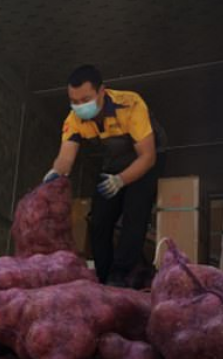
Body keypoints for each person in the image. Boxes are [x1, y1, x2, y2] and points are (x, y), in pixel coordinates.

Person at [44, 65, 165, 287]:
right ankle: (103, 275)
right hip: (114, 162)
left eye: (85, 99)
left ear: (102, 91)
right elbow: (66, 157)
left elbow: (148, 157)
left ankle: (121, 274)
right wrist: (56, 174)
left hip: (145, 160)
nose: (80, 106)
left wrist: (121, 181)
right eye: (74, 101)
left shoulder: (131, 104)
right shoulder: (74, 119)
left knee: (134, 211)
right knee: (99, 219)